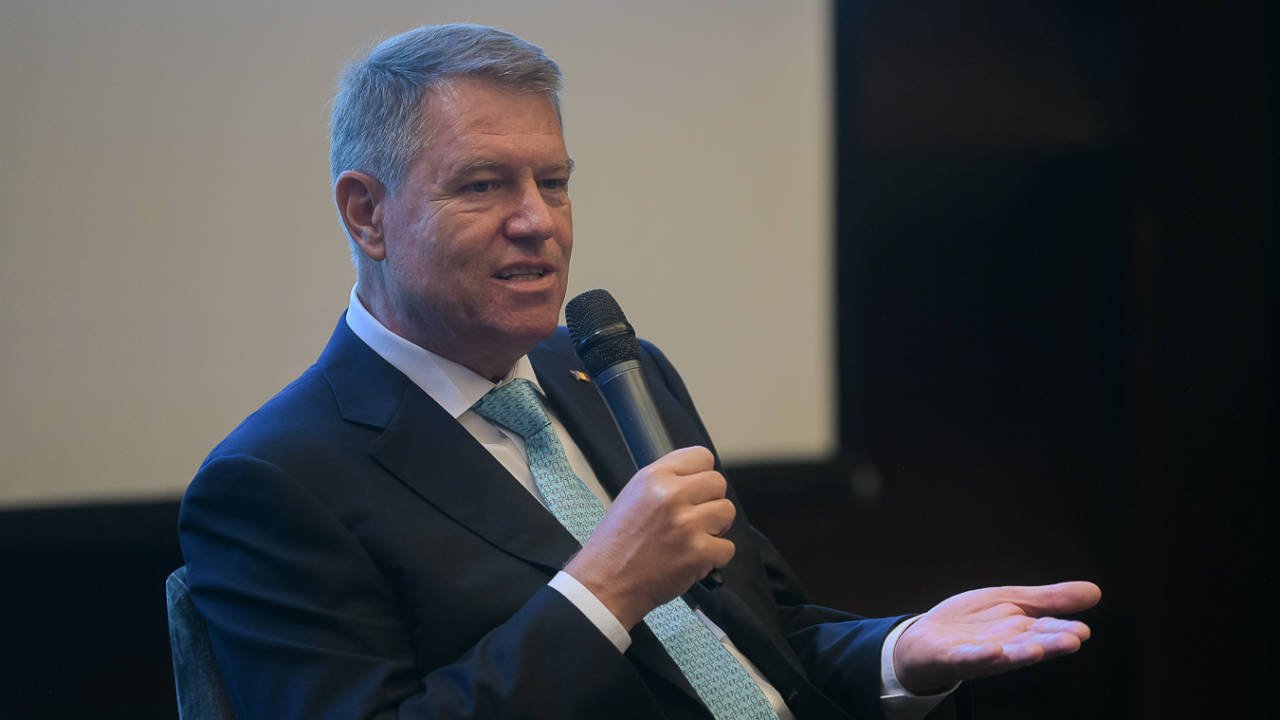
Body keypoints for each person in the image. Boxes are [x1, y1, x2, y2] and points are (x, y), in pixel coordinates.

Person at [178, 23, 1099, 720]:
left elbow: (767, 639)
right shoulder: (277, 483)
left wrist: (903, 653)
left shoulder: (616, 375)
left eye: (554, 182)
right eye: (484, 185)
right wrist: (603, 592)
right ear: (367, 215)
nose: (539, 222)